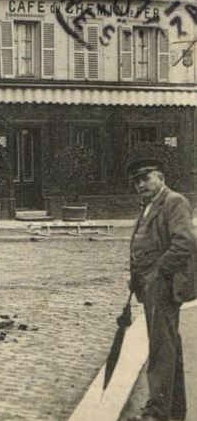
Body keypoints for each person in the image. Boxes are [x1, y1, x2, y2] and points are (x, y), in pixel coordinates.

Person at [127, 157, 197, 421]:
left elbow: (184, 243)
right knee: (167, 346)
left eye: (146, 178)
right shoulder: (149, 206)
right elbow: (146, 243)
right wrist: (136, 275)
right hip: (150, 285)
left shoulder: (174, 202)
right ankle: (175, 410)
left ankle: (157, 412)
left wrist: (157, 273)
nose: (141, 185)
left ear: (162, 178)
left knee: (160, 348)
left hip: (164, 286)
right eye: (136, 181)